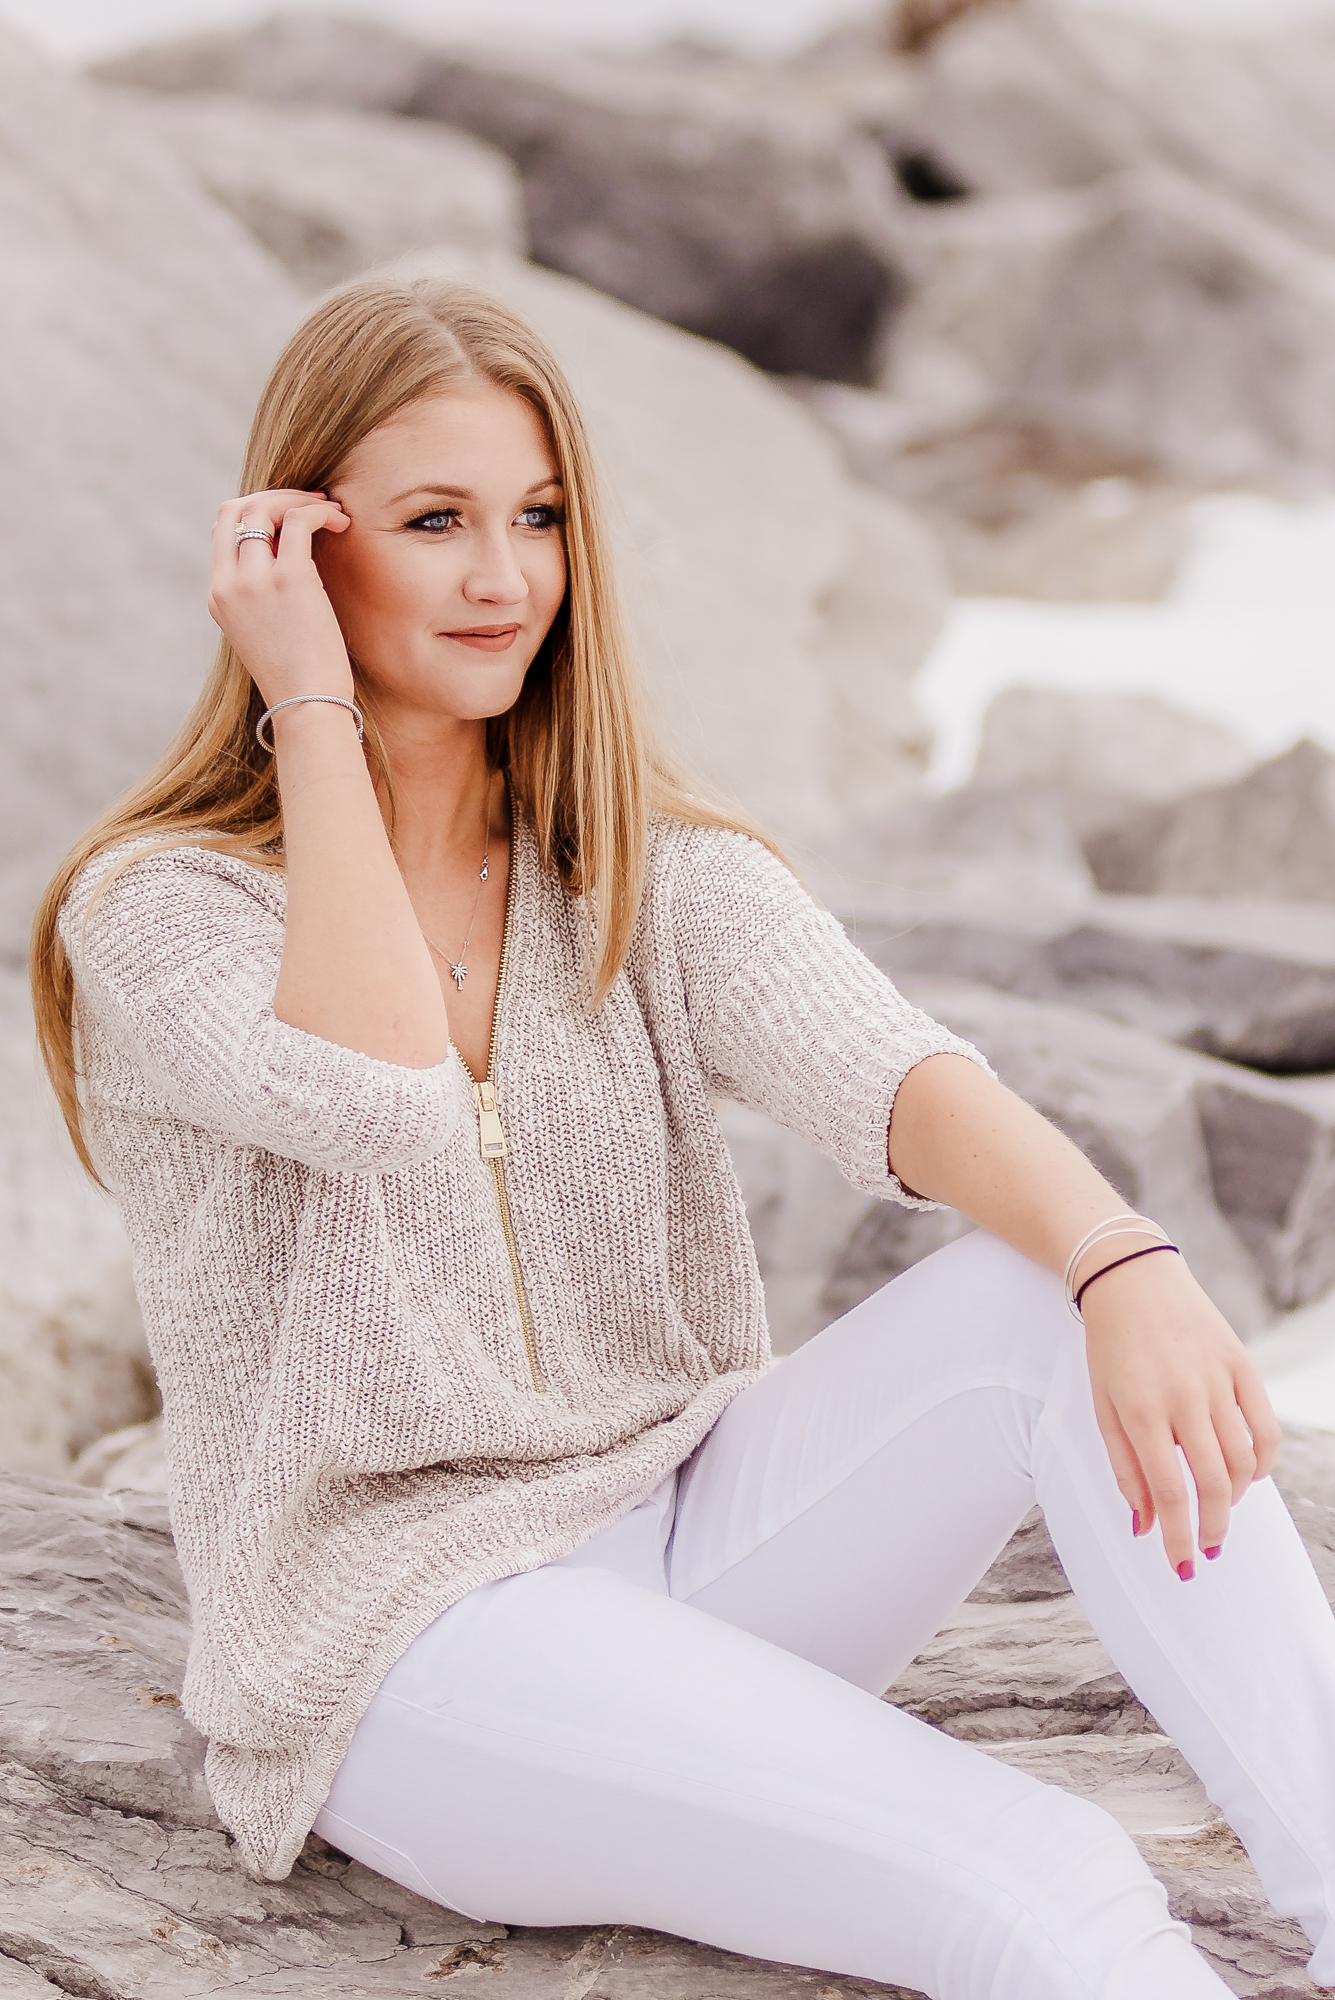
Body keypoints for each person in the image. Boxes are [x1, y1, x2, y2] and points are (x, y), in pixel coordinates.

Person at [30, 275, 1335, 2000]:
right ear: (295, 546)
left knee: (1051, 1309)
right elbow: (366, 1085)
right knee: (1040, 1875)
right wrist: (314, 711)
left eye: (539, 517)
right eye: (437, 523)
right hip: (408, 1653)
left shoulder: (634, 866)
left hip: (686, 1536)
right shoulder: (159, 913)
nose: (505, 580)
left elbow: (897, 1075)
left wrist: (1131, 1263)